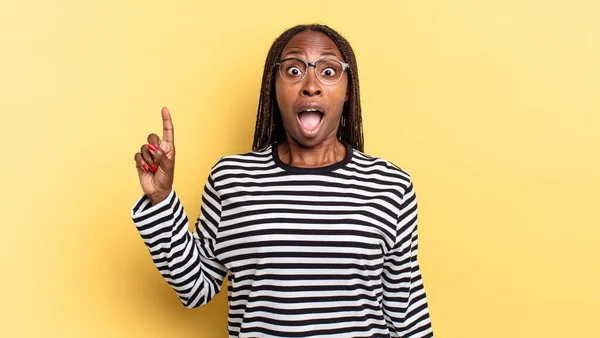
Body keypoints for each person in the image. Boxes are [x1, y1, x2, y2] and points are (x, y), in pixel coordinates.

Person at [132, 24, 434, 338]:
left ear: (348, 91)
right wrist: (161, 199)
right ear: (273, 87)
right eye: (293, 69)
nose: (311, 85)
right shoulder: (232, 179)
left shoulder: (390, 186)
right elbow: (195, 287)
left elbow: (406, 312)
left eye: (329, 71)